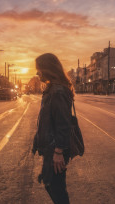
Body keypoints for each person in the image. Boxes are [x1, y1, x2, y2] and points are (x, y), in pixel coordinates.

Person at [32, 53, 74, 204]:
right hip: (51, 148)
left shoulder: (58, 92)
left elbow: (63, 124)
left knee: (56, 188)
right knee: (52, 185)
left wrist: (59, 152)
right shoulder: (52, 90)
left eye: (39, 70)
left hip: (56, 149)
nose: (37, 73)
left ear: (47, 69)